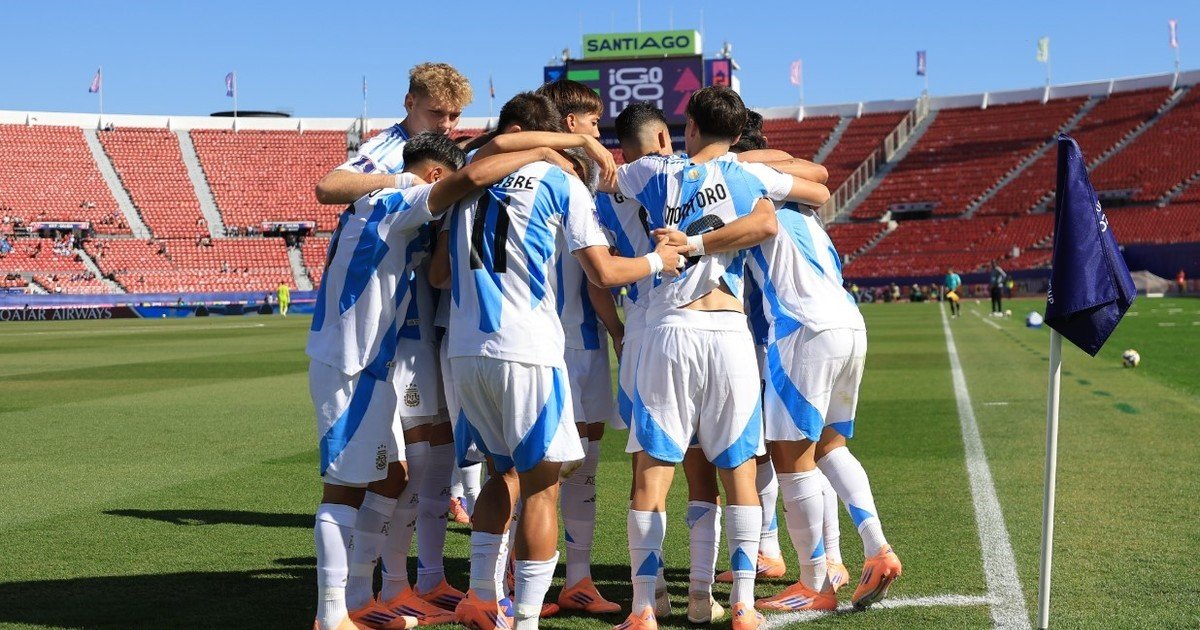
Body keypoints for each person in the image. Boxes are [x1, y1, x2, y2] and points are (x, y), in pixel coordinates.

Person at [434, 91, 688, 630]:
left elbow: (440, 270)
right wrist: (658, 259)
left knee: (499, 476)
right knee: (541, 487)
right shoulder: (560, 180)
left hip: (466, 349)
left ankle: (481, 597)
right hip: (527, 349)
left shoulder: (471, 173)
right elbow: (604, 274)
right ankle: (526, 618)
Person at [306, 133, 569, 630]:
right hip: (348, 360)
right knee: (342, 488)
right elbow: (471, 175)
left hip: (371, 362)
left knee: (390, 476)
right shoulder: (402, 198)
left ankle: (359, 599)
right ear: (433, 177)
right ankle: (331, 614)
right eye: (446, 185)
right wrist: (540, 151)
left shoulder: (377, 201)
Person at [607, 86, 830, 630]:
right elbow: (803, 200)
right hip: (729, 332)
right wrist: (707, 238)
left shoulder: (656, 171)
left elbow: (604, 173)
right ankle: (744, 606)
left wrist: (684, 243)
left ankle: (643, 607)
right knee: (739, 473)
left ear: (688, 127)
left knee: (653, 472)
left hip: (669, 330)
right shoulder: (750, 176)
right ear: (736, 133)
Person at [315, 63, 473, 205]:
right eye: (436, 113)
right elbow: (327, 187)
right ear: (410, 103)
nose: (446, 125)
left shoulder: (436, 147)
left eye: (454, 116)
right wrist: (405, 181)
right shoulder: (389, 148)